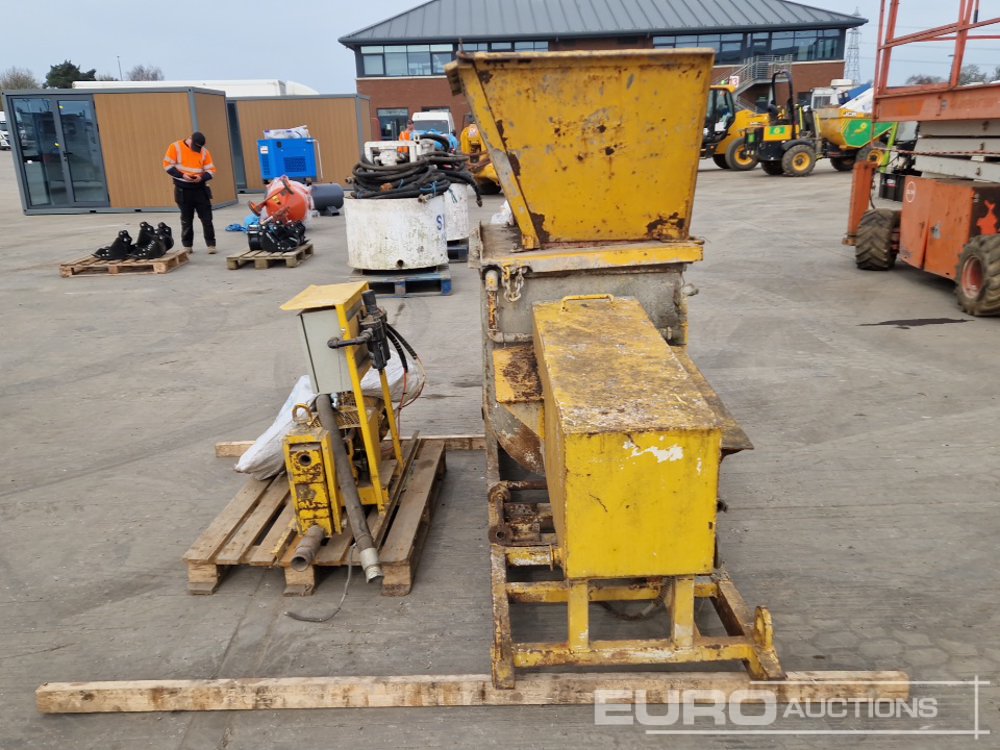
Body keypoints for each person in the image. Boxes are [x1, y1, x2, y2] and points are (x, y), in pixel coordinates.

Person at [162, 132, 217, 253]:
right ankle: (187, 246)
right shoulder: (175, 147)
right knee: (186, 219)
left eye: (199, 148)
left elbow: (211, 170)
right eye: (195, 147)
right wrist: (182, 175)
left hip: (200, 189)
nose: (197, 150)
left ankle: (211, 245)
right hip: (183, 189)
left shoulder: (204, 152)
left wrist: (201, 177)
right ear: (190, 140)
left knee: (207, 218)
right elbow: (167, 166)